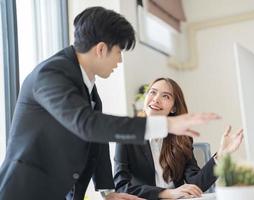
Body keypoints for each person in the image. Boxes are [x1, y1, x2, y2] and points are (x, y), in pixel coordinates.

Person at [0, 7, 221, 200]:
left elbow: (97, 143)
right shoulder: (51, 74)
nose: (119, 60)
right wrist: (167, 125)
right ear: (101, 49)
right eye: (119, 51)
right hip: (25, 191)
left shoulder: (88, 86)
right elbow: (88, 125)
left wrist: (106, 191)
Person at [114, 78, 243, 199]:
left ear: (174, 108)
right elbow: (121, 187)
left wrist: (221, 154)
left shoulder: (181, 139)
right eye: (153, 92)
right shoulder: (127, 134)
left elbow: (196, 185)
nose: (156, 99)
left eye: (165, 96)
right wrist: (166, 193)